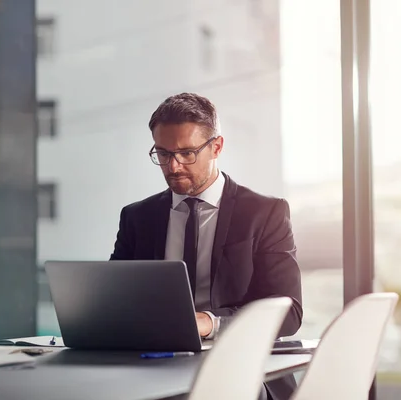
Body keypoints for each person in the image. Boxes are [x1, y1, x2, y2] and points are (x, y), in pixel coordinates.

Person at [110, 92, 303, 400]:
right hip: (152, 368)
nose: (173, 167)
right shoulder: (137, 217)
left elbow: (289, 312)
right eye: (162, 154)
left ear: (216, 147)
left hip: (241, 369)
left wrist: (209, 323)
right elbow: (112, 299)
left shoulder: (265, 213)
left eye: (187, 153)